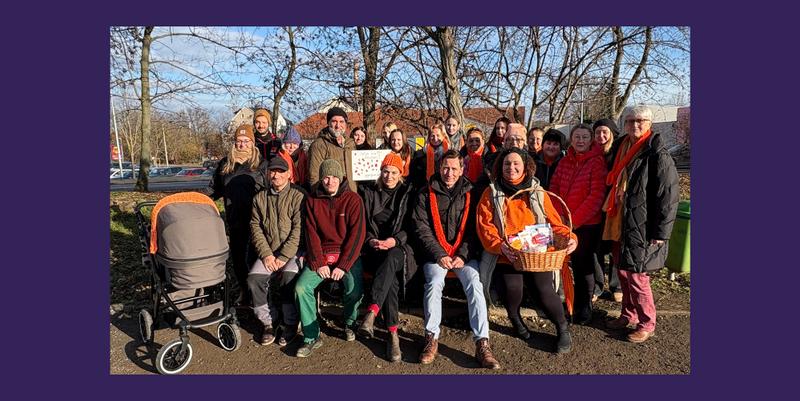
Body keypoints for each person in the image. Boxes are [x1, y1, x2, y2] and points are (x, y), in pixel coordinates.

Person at [476, 147, 577, 353]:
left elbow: (554, 222)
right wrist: (500, 246)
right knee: (512, 289)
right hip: (508, 254)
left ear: (525, 167)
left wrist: (570, 237)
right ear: (500, 166)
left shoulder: (538, 192)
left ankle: (562, 327)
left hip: (537, 254)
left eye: (516, 164)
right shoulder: (491, 193)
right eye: (506, 164)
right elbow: (484, 226)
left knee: (544, 289)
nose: (511, 167)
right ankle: (514, 317)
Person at [412, 150, 500, 369]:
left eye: (454, 169)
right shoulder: (425, 193)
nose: (449, 173)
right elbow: (421, 229)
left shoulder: (471, 193)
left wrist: (463, 255)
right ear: (439, 168)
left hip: (463, 255)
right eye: (445, 168)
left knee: (474, 283)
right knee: (433, 284)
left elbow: (474, 229)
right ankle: (431, 337)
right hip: (436, 255)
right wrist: (439, 254)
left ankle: (482, 342)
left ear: (462, 170)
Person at [603, 105, 679, 343]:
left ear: (650, 123)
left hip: (641, 225)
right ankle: (627, 314)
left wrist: (661, 232)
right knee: (622, 272)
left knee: (637, 276)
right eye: (629, 121)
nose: (634, 125)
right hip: (619, 219)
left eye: (639, 120)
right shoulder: (621, 148)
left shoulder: (657, 154)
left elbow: (668, 196)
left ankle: (647, 323)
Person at [295, 159, 365, 357]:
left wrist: (343, 265)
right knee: (301, 288)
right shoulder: (311, 200)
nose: (330, 181)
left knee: (354, 289)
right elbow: (311, 234)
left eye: (334, 177)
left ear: (341, 177)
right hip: (321, 255)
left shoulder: (353, 200)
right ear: (321, 178)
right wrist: (318, 262)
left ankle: (349, 323)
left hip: (347, 255)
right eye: (326, 177)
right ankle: (311, 335)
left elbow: (357, 235)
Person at [356, 153, 418, 363]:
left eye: (393, 172)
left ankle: (372, 310)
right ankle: (392, 334)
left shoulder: (408, 193)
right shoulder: (369, 192)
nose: (389, 176)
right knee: (388, 276)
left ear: (400, 174)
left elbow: (412, 227)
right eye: (385, 171)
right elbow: (362, 223)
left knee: (391, 258)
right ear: (380, 172)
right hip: (373, 249)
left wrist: (395, 241)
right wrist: (371, 240)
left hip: (400, 249)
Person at [198, 124, 268, 306]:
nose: (242, 144)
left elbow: (270, 192)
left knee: (255, 258)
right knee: (238, 260)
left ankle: (259, 294)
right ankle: (244, 290)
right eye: (239, 141)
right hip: (235, 219)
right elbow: (214, 189)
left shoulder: (261, 165)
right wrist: (193, 196)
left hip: (257, 220)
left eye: (246, 141)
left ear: (252, 143)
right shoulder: (224, 164)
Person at [549, 123, 609, 325]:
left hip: (586, 223)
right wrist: (560, 218)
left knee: (583, 265)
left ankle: (585, 303)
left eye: (584, 137)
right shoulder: (565, 161)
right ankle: (568, 297)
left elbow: (597, 195)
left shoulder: (597, 162)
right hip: (563, 223)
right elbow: (554, 188)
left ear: (591, 140)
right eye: (577, 137)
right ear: (571, 139)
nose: (580, 141)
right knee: (564, 261)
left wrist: (574, 220)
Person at [248, 157, 308, 346]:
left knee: (289, 277)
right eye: (273, 171)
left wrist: (283, 257)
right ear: (268, 174)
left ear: (289, 174)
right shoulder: (259, 198)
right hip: (269, 252)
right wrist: (266, 254)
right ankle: (268, 321)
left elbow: (299, 230)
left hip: (294, 251)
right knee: (254, 279)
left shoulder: (299, 196)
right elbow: (255, 227)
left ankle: (290, 322)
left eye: (281, 171)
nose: (276, 175)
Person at [592, 119, 622, 303]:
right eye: (598, 133)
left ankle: (616, 285)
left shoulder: (618, 152)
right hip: (594, 206)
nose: (601, 136)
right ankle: (596, 286)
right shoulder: (590, 153)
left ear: (612, 133)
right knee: (595, 249)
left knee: (613, 247)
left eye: (605, 132)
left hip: (613, 206)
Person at [307, 107, 357, 192]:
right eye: (334, 121)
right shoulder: (319, 145)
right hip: (331, 196)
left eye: (341, 121)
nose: (338, 126)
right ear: (328, 123)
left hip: (351, 194)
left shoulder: (351, 144)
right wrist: (321, 197)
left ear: (345, 123)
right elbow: (314, 176)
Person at [408, 122, 451, 190]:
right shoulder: (420, 154)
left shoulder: (450, 153)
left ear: (443, 136)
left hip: (445, 187)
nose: (435, 138)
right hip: (426, 187)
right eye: (432, 136)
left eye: (438, 135)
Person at [277, 126, 310, 192]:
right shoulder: (279, 159)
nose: (292, 147)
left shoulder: (306, 158)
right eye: (289, 143)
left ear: (299, 145)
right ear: (284, 144)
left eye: (295, 143)